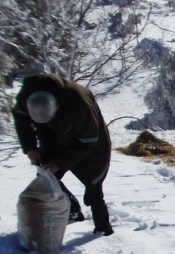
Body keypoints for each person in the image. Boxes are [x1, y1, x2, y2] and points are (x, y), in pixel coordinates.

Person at [13, 73, 114, 236]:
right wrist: (30, 148)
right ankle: (72, 211)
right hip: (51, 133)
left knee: (94, 184)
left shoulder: (79, 102)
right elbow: (21, 119)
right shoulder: (27, 95)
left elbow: (89, 139)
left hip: (88, 139)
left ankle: (103, 230)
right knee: (46, 176)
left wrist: (60, 163)